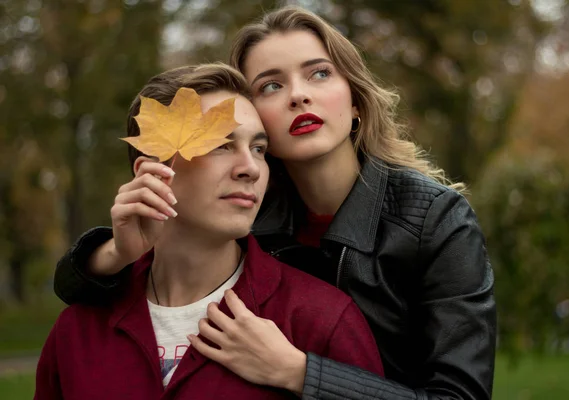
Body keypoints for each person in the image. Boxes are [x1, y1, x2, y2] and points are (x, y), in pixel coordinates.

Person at [53, 6, 496, 400]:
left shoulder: (437, 220)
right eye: (270, 85)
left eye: (319, 73)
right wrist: (114, 252)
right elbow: (79, 293)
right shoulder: (241, 208)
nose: (299, 95)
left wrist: (300, 372)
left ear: (357, 100)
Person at [35, 64, 384, 400]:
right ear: (152, 172)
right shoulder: (77, 333)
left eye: (259, 149)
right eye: (220, 144)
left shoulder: (318, 320)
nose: (251, 168)